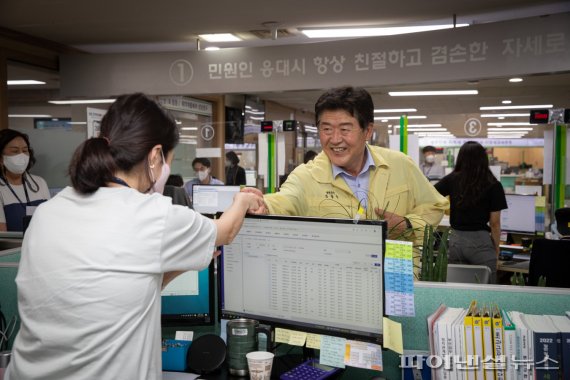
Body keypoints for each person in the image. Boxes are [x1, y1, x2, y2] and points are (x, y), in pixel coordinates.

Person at [6, 93, 262, 380]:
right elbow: (225, 231)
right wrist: (243, 200)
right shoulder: (152, 214)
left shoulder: (47, 213)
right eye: (168, 161)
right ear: (154, 156)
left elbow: (121, 288)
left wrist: (184, 264)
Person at [246, 86, 448, 243]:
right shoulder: (305, 176)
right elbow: (285, 200)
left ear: (367, 131)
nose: (335, 139)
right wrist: (262, 205)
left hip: (396, 283)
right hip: (337, 284)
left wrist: (408, 224)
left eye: (345, 129)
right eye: (326, 129)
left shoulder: (400, 165)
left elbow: (435, 205)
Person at [434, 141, 508, 284]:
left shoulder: (452, 179)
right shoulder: (493, 184)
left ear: (461, 158)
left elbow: (431, 194)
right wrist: (496, 249)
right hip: (480, 242)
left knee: (457, 287)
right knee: (486, 289)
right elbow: (495, 223)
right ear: (483, 159)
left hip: (456, 241)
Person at [0, 129, 50, 232]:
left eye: (25, 150)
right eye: (15, 151)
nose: (21, 155)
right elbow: (2, 235)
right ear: (1, 158)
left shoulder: (39, 183)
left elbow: (50, 221)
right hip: (13, 247)